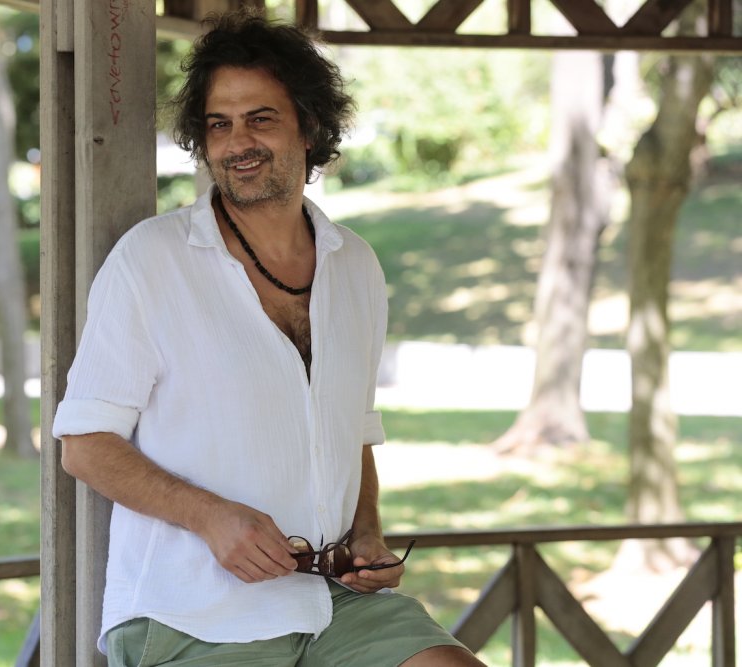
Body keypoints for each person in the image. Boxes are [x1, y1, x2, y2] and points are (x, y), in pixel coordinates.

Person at [52, 9, 485, 667]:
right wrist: (210, 516)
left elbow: (353, 428)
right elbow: (85, 446)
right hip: (193, 611)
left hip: (333, 601)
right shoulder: (151, 260)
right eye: (218, 124)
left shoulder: (355, 265)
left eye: (260, 118)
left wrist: (366, 532)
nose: (238, 142)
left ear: (309, 126)